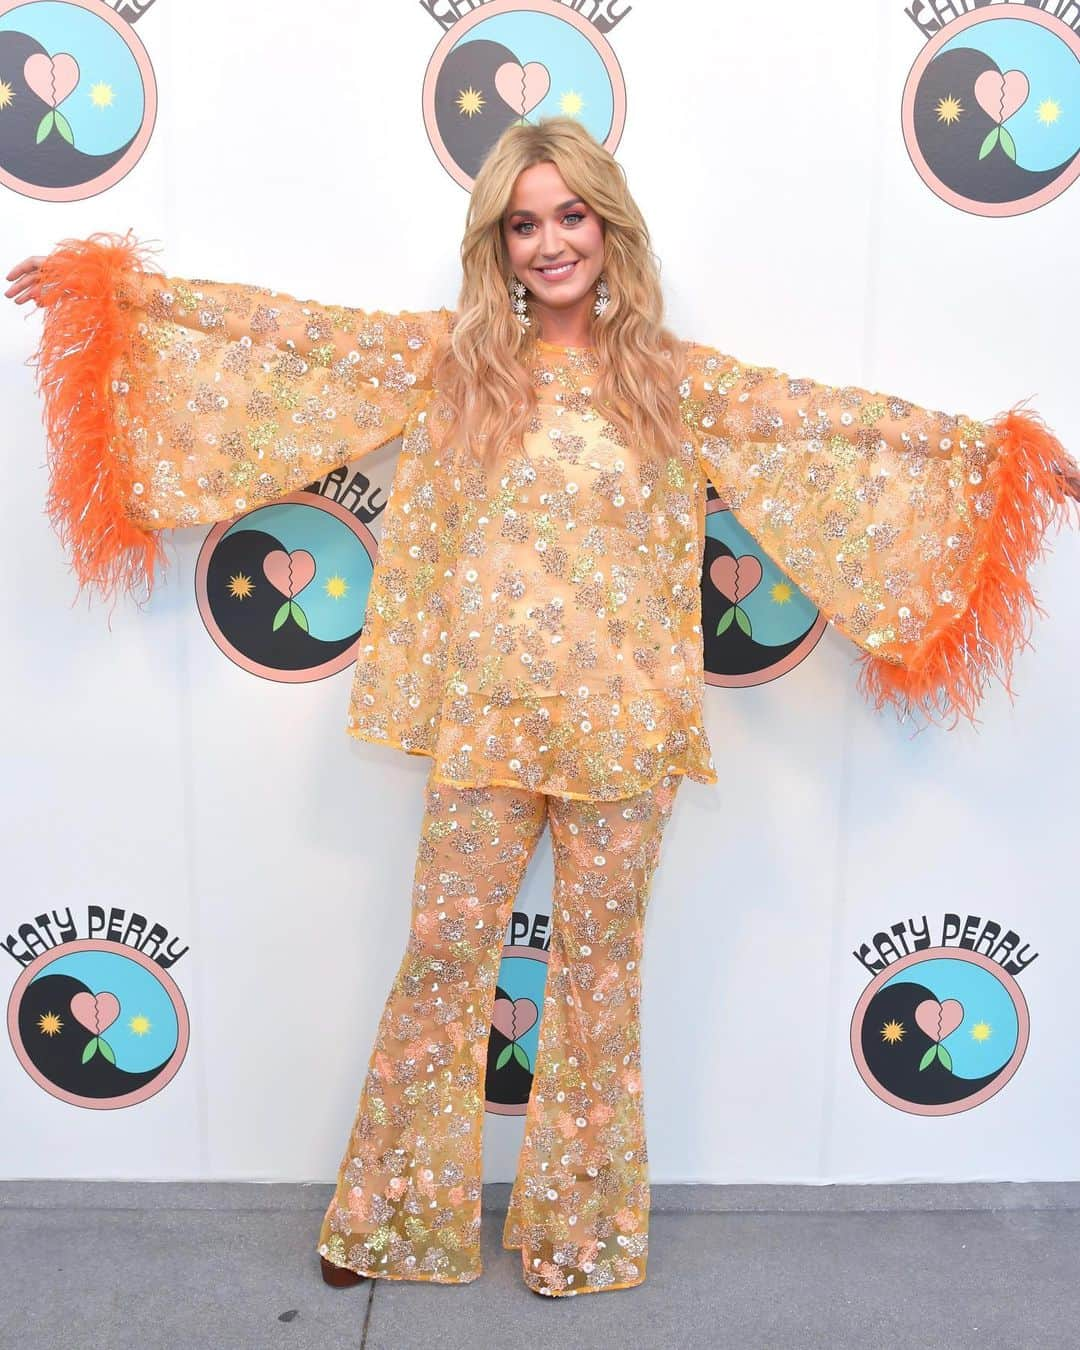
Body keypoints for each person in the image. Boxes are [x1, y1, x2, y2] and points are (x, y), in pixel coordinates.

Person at [6, 118, 1078, 1299]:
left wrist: (992, 462)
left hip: (626, 735)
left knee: (598, 977)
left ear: (610, 228)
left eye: (572, 216)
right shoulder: (453, 365)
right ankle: (390, 1220)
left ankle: (581, 1235)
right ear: (498, 247)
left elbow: (833, 429)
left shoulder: (674, 380)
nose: (552, 240)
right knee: (441, 954)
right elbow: (284, 341)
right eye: (526, 222)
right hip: (486, 719)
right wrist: (110, 302)